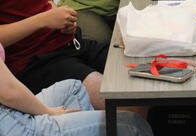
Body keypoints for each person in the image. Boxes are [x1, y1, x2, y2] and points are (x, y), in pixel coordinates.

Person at [0, 42, 152, 136]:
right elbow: (8, 92)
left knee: (74, 88)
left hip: (8, 107)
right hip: (8, 122)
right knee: (133, 123)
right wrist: (48, 112)